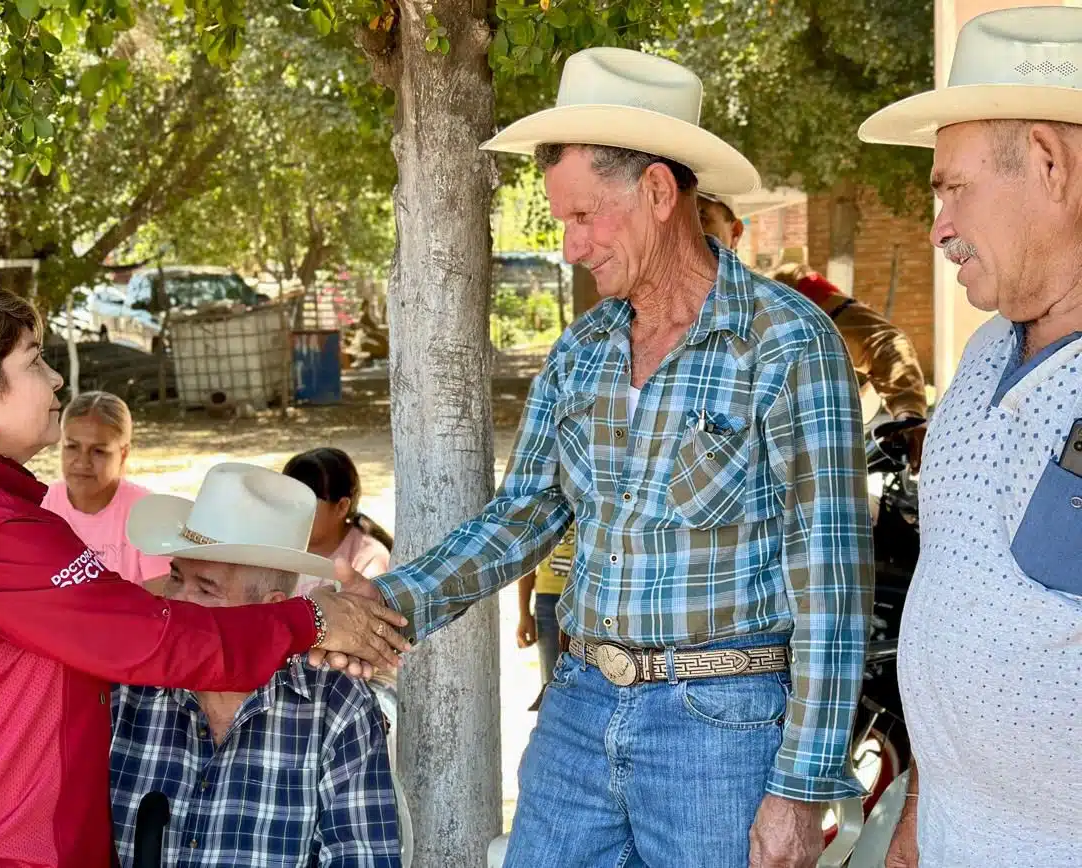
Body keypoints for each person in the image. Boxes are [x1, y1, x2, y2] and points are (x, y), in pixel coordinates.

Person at [319, 48, 873, 868]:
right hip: (580, 705)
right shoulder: (583, 349)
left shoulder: (787, 343)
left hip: (720, 727)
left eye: (584, 217)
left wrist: (801, 786)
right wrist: (390, 601)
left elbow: (832, 580)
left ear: (656, 191)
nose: (571, 248)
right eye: (563, 222)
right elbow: (522, 517)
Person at [0, 280, 409, 868]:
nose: (55, 380)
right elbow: (147, 638)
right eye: (33, 360)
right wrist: (311, 618)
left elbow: (92, 621)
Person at [858, 8, 1082, 867]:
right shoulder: (989, 347)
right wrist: (922, 800)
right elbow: (956, 590)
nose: (939, 227)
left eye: (954, 189)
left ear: (1049, 163)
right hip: (956, 832)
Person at [112, 464, 400, 867]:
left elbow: (363, 857)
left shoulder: (335, 706)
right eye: (176, 578)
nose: (177, 603)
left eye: (206, 588)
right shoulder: (127, 682)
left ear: (271, 611)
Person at [698, 195, 930, 468]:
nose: (692, 231)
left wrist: (908, 416)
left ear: (735, 232)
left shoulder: (791, 288)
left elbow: (883, 343)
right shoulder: (649, 310)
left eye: (702, 217)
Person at [43, 391, 170, 586]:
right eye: (72, 447)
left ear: (123, 453)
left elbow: (161, 604)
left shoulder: (149, 514)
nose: (82, 462)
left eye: (99, 451)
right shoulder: (41, 505)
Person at [284, 447, 392, 596]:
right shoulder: (277, 549)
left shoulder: (368, 559)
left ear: (341, 507)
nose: (293, 511)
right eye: (287, 501)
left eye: (305, 503)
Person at [514, 522, 575, 688]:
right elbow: (528, 560)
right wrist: (524, 614)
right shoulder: (548, 502)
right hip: (549, 600)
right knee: (552, 682)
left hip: (589, 600)